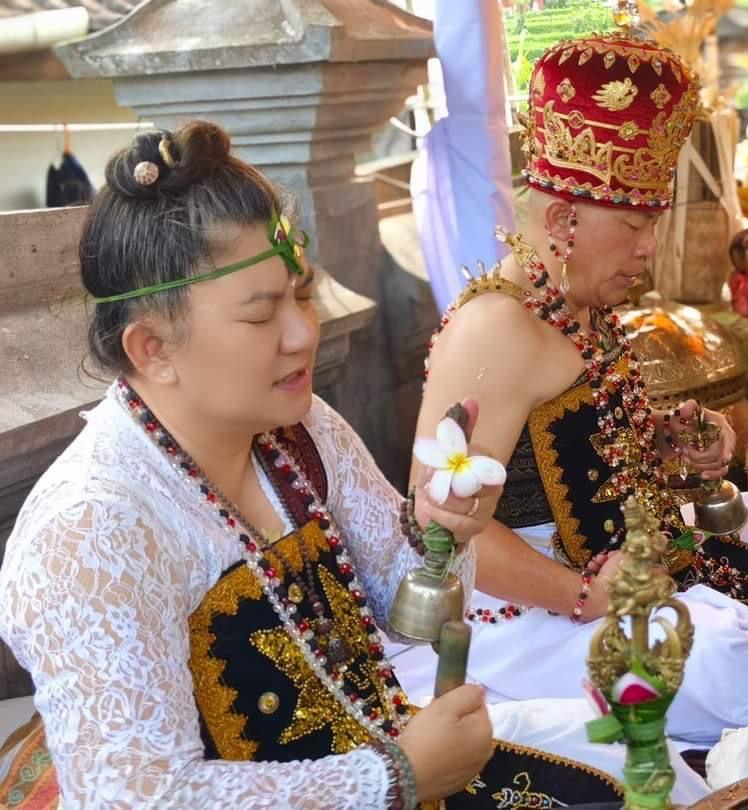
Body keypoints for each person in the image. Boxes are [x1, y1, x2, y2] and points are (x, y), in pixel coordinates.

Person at [0, 121, 707, 808]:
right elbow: (133, 796)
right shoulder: (93, 530)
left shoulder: (301, 431)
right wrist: (391, 777)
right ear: (152, 348)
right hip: (378, 776)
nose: (304, 332)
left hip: (385, 753)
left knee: (643, 770)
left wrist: (445, 534)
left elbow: (408, 615)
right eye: (260, 314)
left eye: (303, 293)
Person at [406, 24, 748, 745]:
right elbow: (441, 533)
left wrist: (674, 444)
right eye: (633, 227)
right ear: (561, 219)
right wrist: (582, 594)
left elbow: (595, 452)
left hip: (631, 552)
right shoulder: (497, 327)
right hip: (528, 608)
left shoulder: (581, 306)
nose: (648, 251)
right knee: (730, 662)